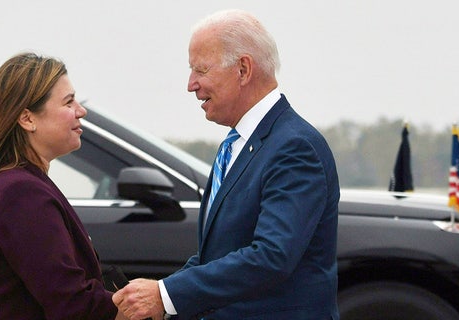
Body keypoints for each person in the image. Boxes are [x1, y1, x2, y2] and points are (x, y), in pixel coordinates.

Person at [113, 9, 340, 320]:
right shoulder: (237, 144)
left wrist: (165, 296)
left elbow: (271, 257)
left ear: (243, 69)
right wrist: (160, 294)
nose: (191, 84)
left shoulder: (294, 147)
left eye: (201, 70)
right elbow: (218, 255)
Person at [0, 52, 126, 320]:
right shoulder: (19, 193)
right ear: (27, 119)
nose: (81, 110)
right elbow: (72, 304)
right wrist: (153, 304)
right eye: (68, 102)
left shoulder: (13, 184)